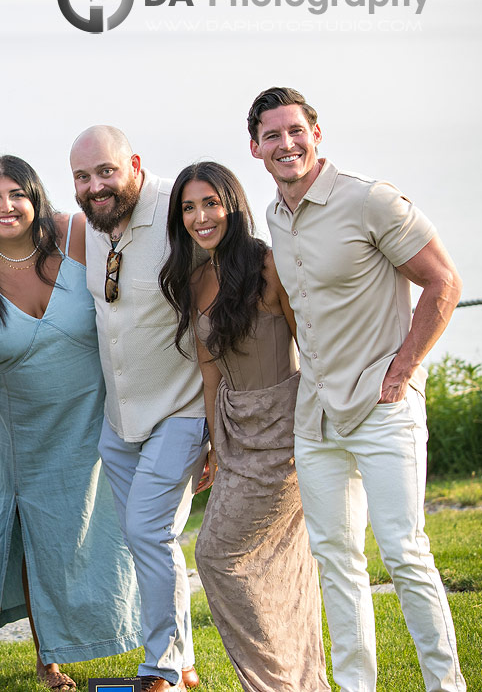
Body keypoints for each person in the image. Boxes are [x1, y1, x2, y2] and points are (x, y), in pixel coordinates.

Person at [247, 87, 465, 692]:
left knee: (404, 553)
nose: (285, 144)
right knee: (336, 561)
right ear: (256, 147)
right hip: (316, 417)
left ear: (317, 134)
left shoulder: (371, 201)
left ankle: (444, 686)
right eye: (272, 135)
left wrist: (402, 371)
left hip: (383, 406)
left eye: (295, 131)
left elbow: (442, 282)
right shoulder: (274, 216)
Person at [0, 155, 141, 691]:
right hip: (22, 430)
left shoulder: (75, 235)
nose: (6, 206)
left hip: (96, 420)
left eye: (16, 194)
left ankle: (158, 643)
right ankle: (48, 657)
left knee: (117, 532)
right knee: (35, 538)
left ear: (36, 197)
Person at [158, 161, 328, 691]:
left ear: (233, 205)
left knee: (220, 556)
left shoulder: (270, 266)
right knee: (269, 564)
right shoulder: (194, 277)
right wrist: (214, 443)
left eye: (211, 203)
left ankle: (276, 682)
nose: (200, 216)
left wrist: (319, 430)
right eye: (188, 207)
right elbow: (209, 370)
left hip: (284, 429)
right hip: (233, 431)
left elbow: (311, 349)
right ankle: (297, 683)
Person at [70, 126, 205, 692]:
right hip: (120, 420)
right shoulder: (90, 225)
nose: (96, 185)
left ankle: (162, 669)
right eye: (82, 176)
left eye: (106, 171)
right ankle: (186, 661)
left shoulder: (179, 212)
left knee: (149, 532)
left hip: (184, 407)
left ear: (135, 165)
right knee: (143, 535)